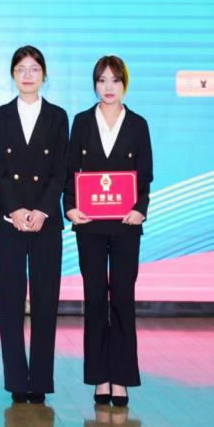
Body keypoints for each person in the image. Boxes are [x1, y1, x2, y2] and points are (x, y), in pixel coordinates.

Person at [63, 56, 153, 408]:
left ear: (124, 84)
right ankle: (100, 376)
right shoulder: (82, 122)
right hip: (90, 225)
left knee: (123, 299)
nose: (108, 87)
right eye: (102, 80)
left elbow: (144, 174)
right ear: (95, 84)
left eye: (115, 80)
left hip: (127, 225)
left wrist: (140, 208)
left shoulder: (138, 124)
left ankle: (122, 379)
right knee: (96, 297)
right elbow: (70, 170)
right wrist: (70, 206)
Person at [0, 45, 69, 404]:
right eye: (21, 69)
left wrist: (42, 210)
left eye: (34, 69)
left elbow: (61, 169)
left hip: (46, 222)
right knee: (9, 303)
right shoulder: (0, 116)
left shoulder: (58, 117)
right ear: (12, 74)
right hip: (10, 221)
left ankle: (40, 382)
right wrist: (16, 209)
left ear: (44, 75)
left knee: (45, 301)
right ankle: (17, 381)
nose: (27, 75)